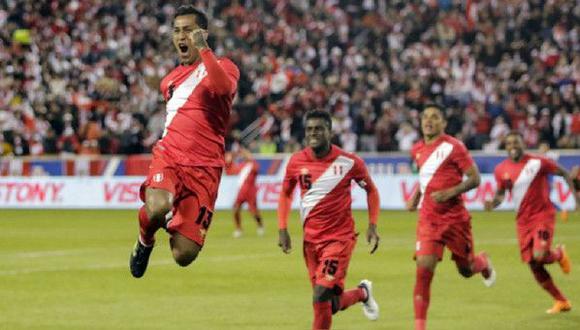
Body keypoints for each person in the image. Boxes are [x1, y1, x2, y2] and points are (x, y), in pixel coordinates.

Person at [129, 5, 239, 278]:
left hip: (205, 168)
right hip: (170, 155)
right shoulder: (169, 81)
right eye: (177, 30)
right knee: (157, 206)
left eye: (188, 30)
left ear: (202, 34)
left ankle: (172, 218)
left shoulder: (225, 66)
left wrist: (204, 50)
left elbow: (222, 89)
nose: (182, 36)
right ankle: (145, 241)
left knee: (184, 254)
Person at [278, 110, 380, 330]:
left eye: (319, 129)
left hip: (338, 240)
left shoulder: (349, 162)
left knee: (320, 293)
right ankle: (363, 293)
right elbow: (286, 193)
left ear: (330, 132)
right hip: (311, 242)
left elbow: (371, 190)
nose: (313, 133)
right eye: (309, 129)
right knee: (328, 304)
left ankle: (362, 293)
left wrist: (372, 224)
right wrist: (282, 228)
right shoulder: (296, 161)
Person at [407, 104, 496, 330]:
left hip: (455, 220)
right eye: (425, 116)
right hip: (428, 219)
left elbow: (475, 179)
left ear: (443, 123)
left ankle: (483, 262)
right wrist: (416, 196)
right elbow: (425, 178)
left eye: (435, 117)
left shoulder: (454, 147)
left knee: (466, 270)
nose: (428, 120)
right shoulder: (416, 149)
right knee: (423, 270)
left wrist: (451, 192)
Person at [485, 131, 578, 314]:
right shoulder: (501, 169)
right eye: (509, 143)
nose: (512, 146)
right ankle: (561, 301)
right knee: (533, 263)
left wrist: (577, 200)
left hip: (543, 216)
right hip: (522, 221)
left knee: (540, 254)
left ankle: (559, 254)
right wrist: (493, 203)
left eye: (516, 142)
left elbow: (565, 173)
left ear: (523, 143)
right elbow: (501, 194)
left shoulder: (538, 162)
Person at [225, 148, 264, 238]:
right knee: (236, 209)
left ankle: (260, 225)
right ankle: (238, 229)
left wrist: (245, 153)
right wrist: (229, 162)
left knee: (254, 212)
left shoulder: (253, 165)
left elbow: (256, 169)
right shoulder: (242, 165)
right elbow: (230, 171)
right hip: (241, 192)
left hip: (251, 191)